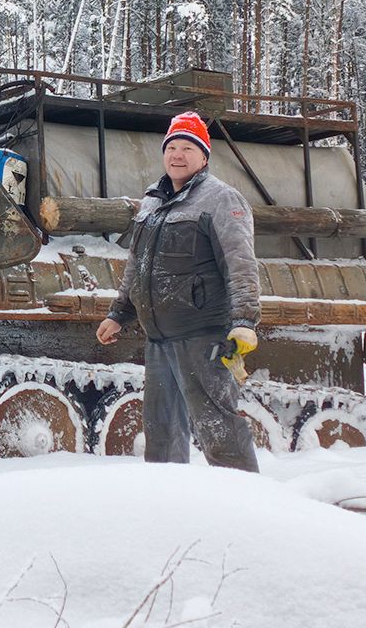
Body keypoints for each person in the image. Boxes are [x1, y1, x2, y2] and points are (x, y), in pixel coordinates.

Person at [95, 111, 261, 472]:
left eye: (188, 147)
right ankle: (169, 500)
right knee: (161, 434)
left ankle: (244, 498)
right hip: (159, 338)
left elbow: (241, 263)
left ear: (204, 156)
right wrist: (119, 313)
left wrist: (245, 320)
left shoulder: (221, 199)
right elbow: (138, 265)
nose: (177, 155)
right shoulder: (151, 202)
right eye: (172, 147)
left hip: (203, 335)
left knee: (218, 428)